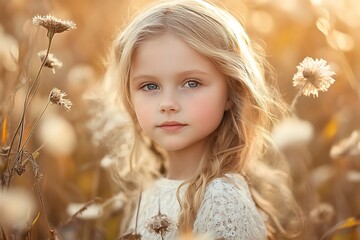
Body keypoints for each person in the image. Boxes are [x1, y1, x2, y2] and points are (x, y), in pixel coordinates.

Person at [102, 0, 303, 239]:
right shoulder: (149, 192)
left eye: (191, 83)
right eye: (150, 86)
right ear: (130, 96)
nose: (168, 104)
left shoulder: (221, 199)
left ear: (231, 92)